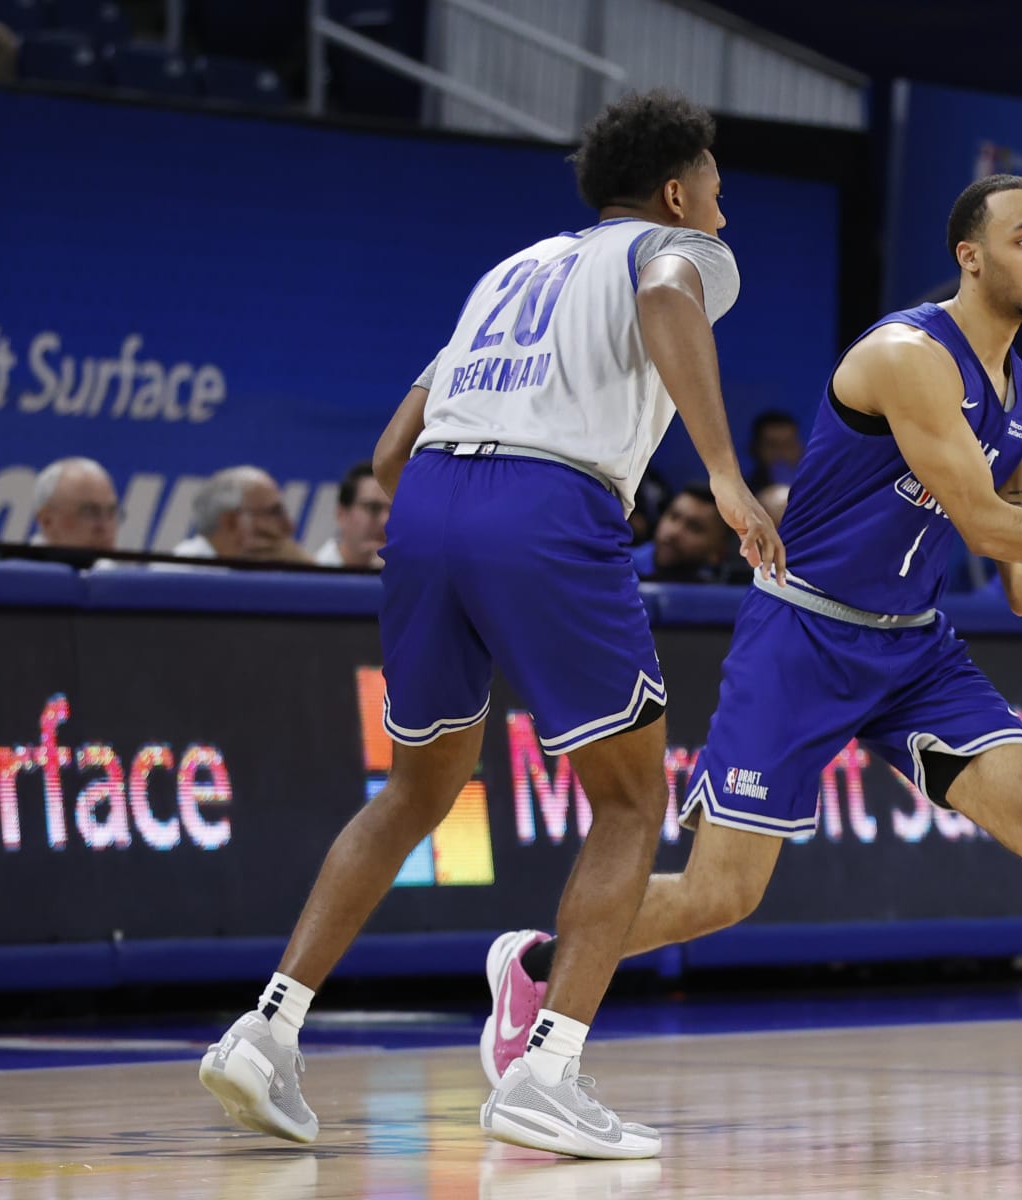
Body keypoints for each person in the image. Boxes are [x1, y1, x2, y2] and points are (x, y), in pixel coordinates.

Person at [480, 175, 1022, 1139]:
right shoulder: (905, 354)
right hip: (803, 637)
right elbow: (986, 527)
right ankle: (535, 967)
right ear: (970, 256)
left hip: (913, 650)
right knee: (720, 896)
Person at [198, 90, 784, 1159]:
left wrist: (446, 510)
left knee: (418, 786)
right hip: (546, 508)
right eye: (715, 191)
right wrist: (724, 473)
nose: (722, 214)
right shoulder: (674, 248)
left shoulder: (511, 269)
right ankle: (547, 1070)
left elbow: (390, 450)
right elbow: (664, 288)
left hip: (425, 504)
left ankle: (265, 1030)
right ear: (672, 191)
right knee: (627, 800)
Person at [169, 466, 309, 564]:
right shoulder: (180, 573)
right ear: (232, 521)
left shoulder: (258, 573)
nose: (289, 526)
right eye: (274, 512)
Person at [631, 483, 744, 582]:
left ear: (718, 552)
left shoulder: (719, 592)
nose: (674, 532)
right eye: (673, 517)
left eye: (694, 528)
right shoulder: (618, 566)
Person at [31, 457, 120, 553]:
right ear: (47, 521)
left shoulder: (113, 567)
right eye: (90, 512)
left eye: (111, 512)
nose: (104, 527)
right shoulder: (20, 567)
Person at [313, 462, 390, 569]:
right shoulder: (308, 577)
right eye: (373, 508)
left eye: (394, 510)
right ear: (342, 514)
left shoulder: (406, 579)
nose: (385, 520)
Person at [746, 409, 803, 489]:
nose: (781, 452)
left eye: (788, 445)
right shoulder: (740, 492)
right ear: (754, 449)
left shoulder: (815, 490)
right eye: (772, 445)